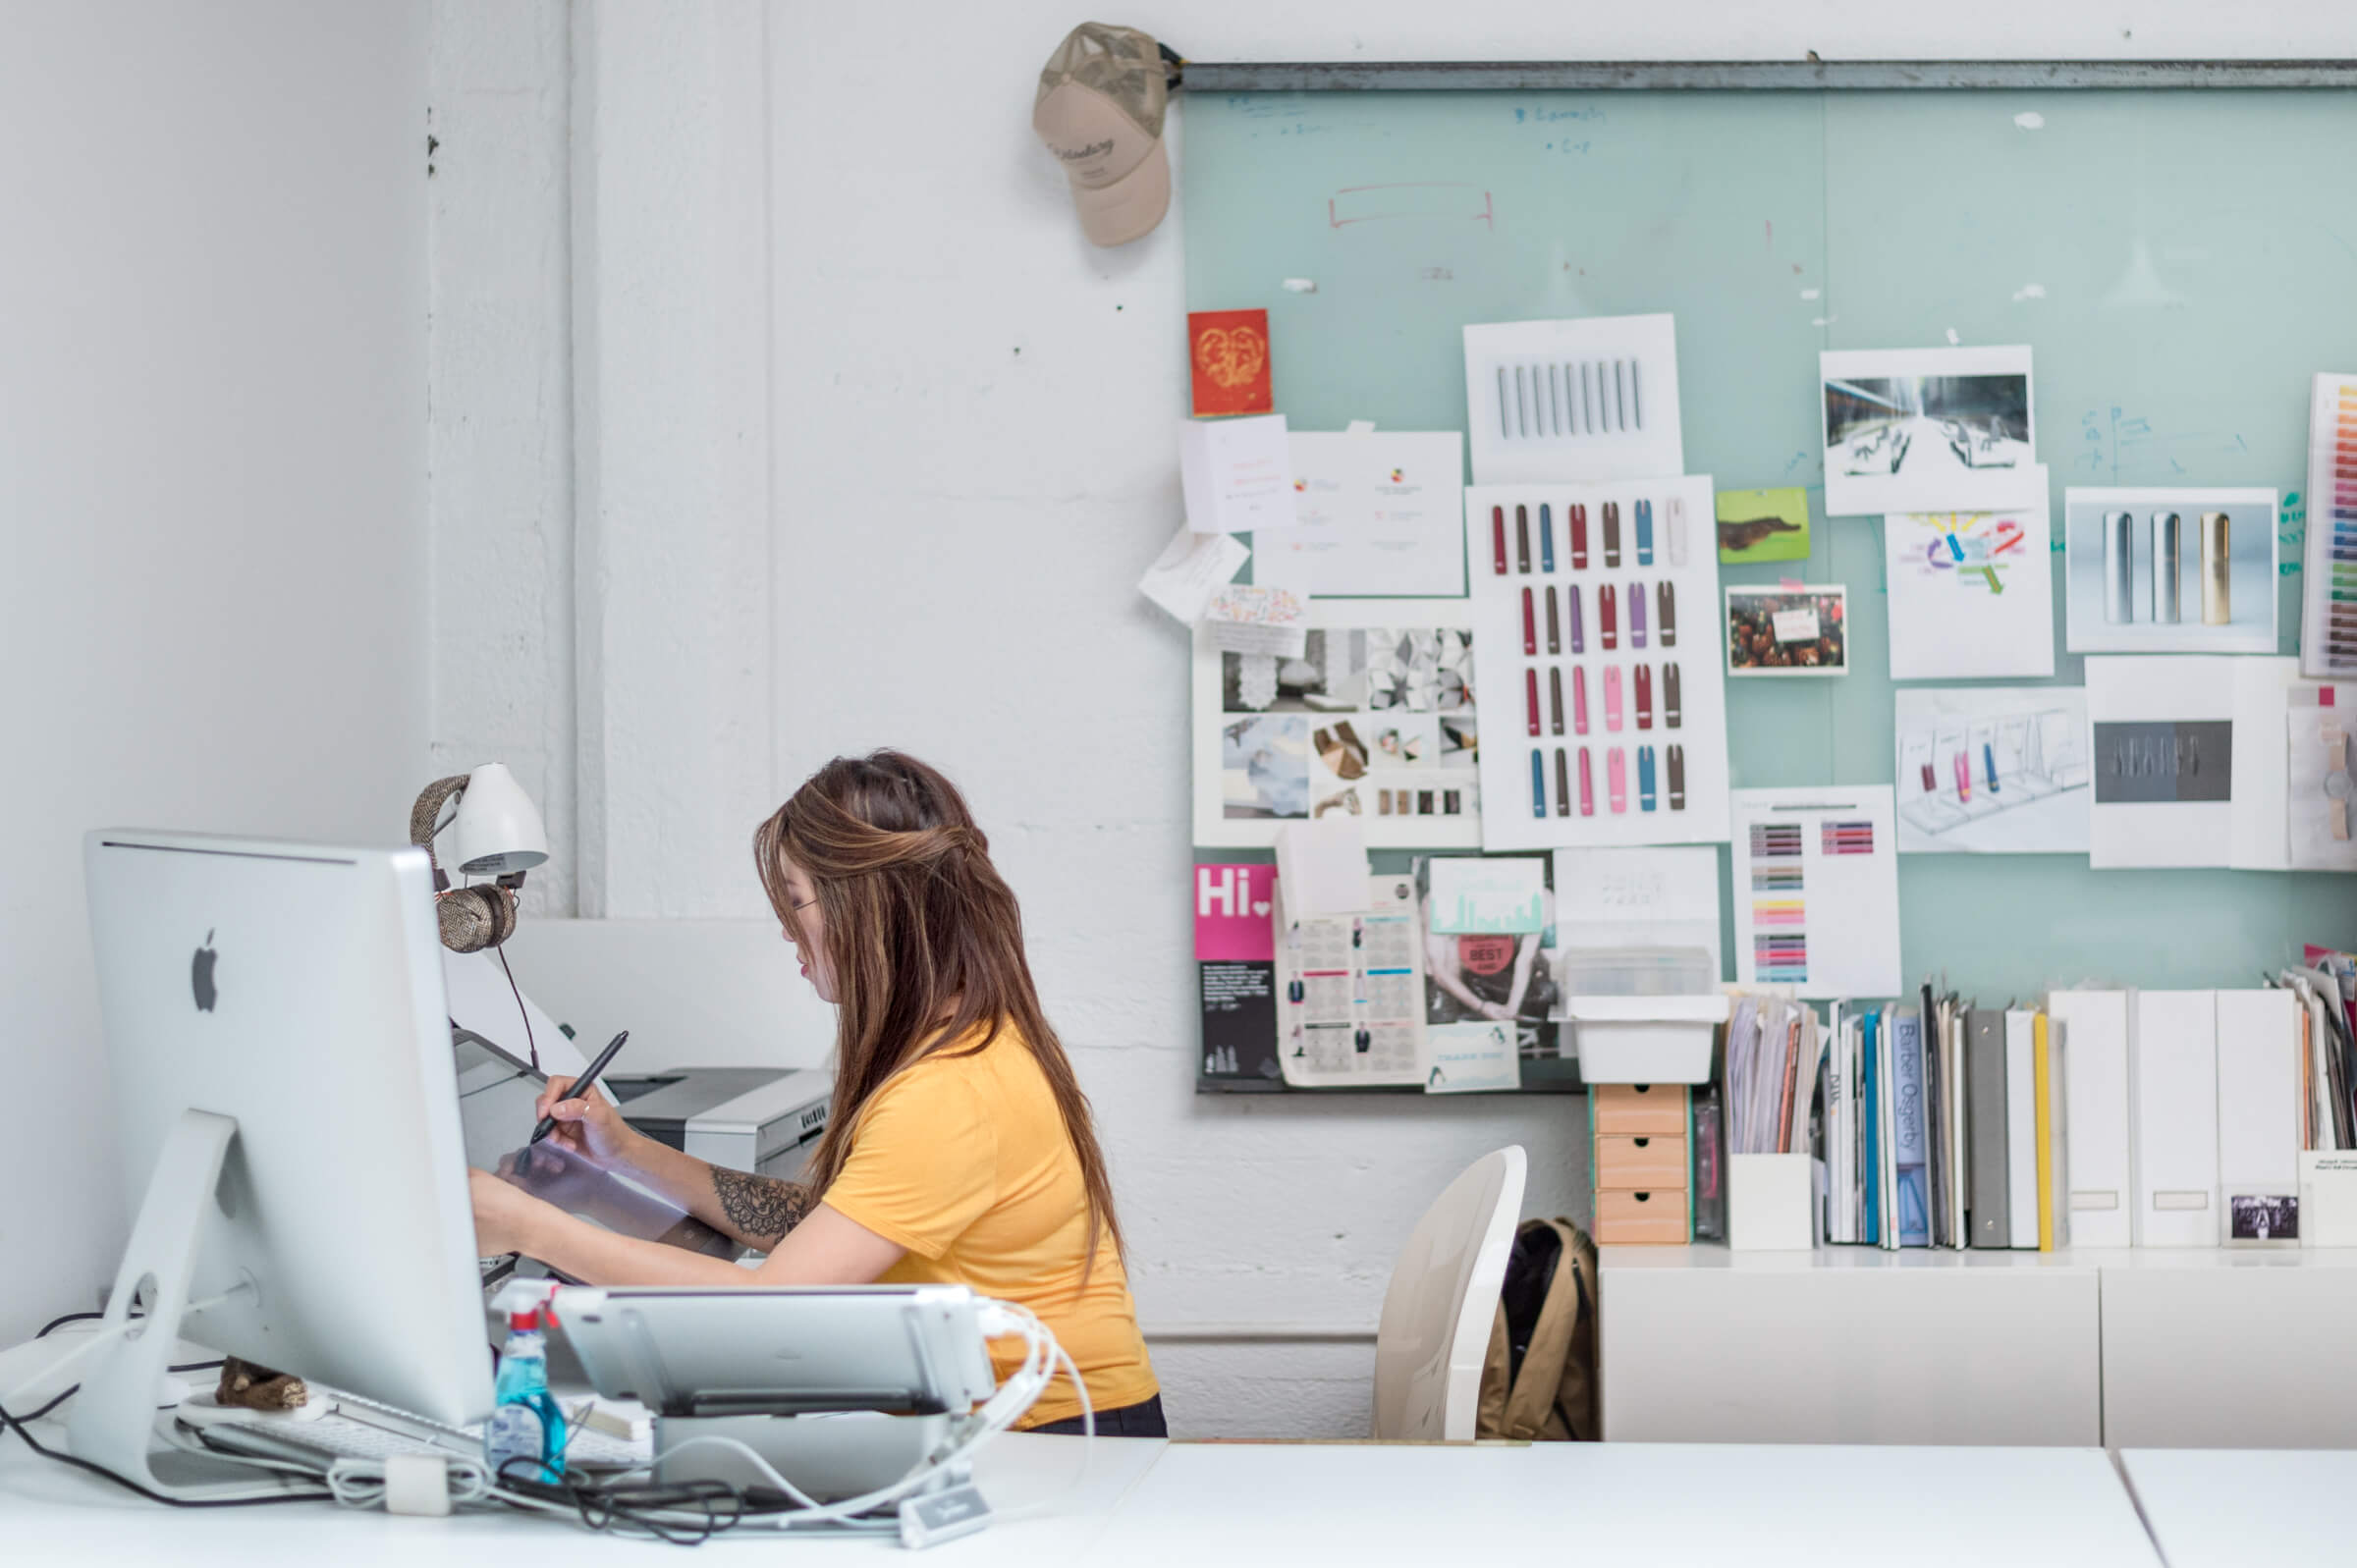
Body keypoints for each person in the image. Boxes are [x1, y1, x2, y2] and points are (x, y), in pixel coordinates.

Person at [467, 751, 1163, 1435]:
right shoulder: (964, 1037)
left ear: (868, 904)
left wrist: (527, 1224)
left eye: (794, 899)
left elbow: (770, 1306)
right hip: (1044, 1422)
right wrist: (625, 1153)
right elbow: (822, 1227)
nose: (783, 926)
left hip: (1059, 1436)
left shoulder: (950, 1091)